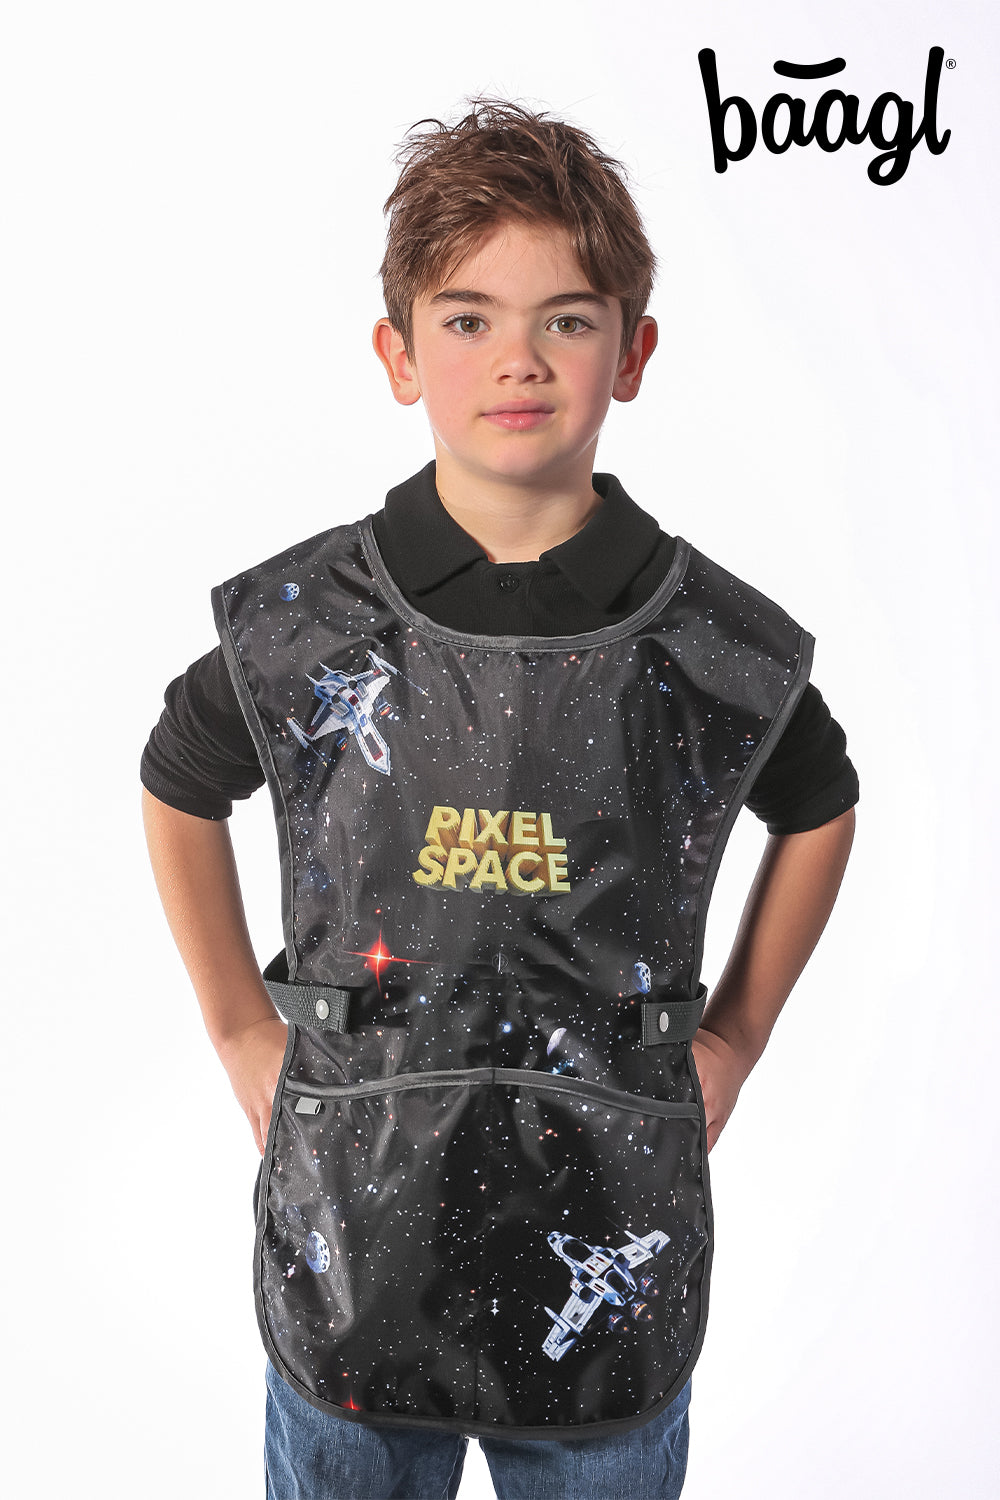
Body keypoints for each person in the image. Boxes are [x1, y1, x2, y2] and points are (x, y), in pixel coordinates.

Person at [142, 99, 857, 1500]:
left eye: (566, 320)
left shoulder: (707, 641)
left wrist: (736, 1038)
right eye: (467, 319)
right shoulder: (308, 625)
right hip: (356, 1243)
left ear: (632, 353)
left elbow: (820, 800)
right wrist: (237, 1025)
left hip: (611, 1232)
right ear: (399, 354)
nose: (518, 359)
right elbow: (180, 773)